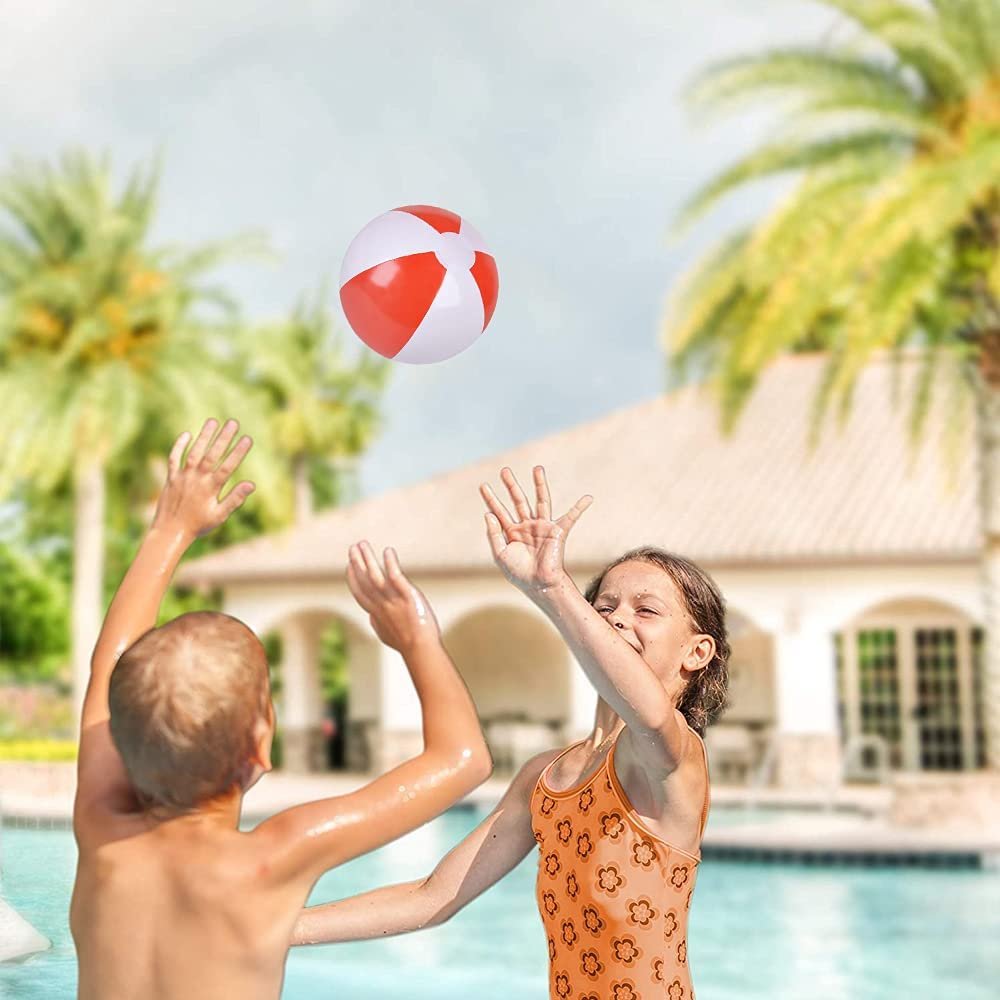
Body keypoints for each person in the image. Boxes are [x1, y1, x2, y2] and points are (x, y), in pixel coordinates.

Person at [69, 418, 492, 1000]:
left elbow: (107, 665)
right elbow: (464, 759)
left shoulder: (100, 829)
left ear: (120, 736)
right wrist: (417, 639)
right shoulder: (276, 856)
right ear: (259, 748)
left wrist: (169, 529)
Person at [293, 465, 730, 1000]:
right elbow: (432, 898)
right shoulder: (544, 777)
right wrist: (282, 927)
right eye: (606, 606)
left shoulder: (676, 759)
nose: (618, 619)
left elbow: (651, 715)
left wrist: (551, 587)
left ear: (696, 653)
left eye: (647, 611)